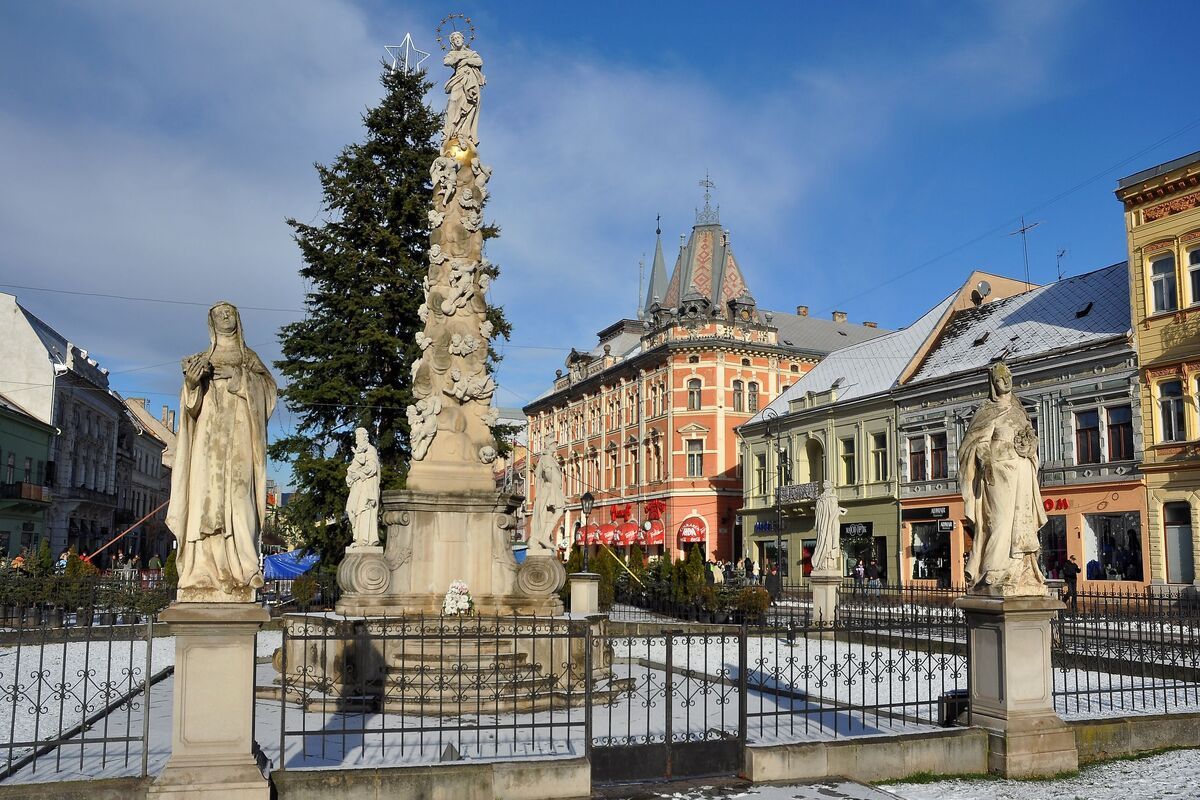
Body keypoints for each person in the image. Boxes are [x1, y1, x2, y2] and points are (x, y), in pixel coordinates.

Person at [168, 301, 277, 596]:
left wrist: (236, 376)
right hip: (208, 441)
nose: (225, 317)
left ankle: (245, 568)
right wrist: (192, 383)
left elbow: (268, 393)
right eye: (219, 314)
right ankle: (202, 570)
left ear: (238, 319)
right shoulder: (201, 359)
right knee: (206, 501)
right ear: (211, 322)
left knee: (240, 500)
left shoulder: (248, 358)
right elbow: (190, 408)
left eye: (229, 312)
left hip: (240, 435)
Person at [960, 360, 1046, 594]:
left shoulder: (1020, 410)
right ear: (993, 383)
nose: (1006, 382)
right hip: (997, 472)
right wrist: (984, 457)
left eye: (1008, 377)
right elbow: (975, 443)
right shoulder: (987, 411)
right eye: (1000, 379)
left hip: (1022, 470)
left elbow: (1030, 438)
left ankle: (1019, 568)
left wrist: (1030, 448)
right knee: (999, 519)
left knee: (1021, 519)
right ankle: (992, 569)